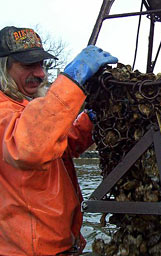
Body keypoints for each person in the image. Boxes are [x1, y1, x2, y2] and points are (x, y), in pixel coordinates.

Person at [0, 26, 117, 255]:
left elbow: (63, 145)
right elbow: (29, 147)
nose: (41, 73)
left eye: (41, 64)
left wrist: (91, 119)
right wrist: (71, 81)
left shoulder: (25, 107)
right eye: (28, 65)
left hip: (59, 244)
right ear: (3, 67)